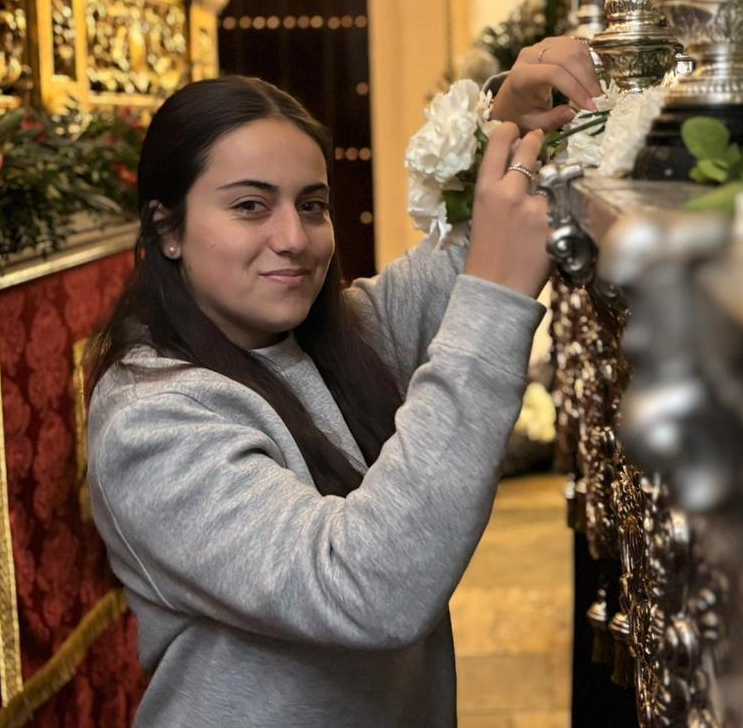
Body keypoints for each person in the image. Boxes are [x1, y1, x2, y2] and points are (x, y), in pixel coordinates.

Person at [86, 38, 599, 727]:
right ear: (167, 229)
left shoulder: (335, 333)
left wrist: (511, 129)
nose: (293, 238)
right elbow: (367, 588)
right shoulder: (151, 420)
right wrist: (496, 298)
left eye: (312, 205)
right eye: (250, 206)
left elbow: (457, 263)